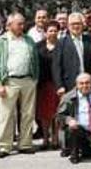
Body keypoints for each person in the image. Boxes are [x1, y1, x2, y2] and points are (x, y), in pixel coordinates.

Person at [0, 12, 39, 158]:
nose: (22, 26)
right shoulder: (1, 41)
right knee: (6, 115)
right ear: (9, 25)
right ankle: (4, 146)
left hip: (28, 81)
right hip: (9, 82)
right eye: (19, 24)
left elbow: (35, 60)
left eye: (23, 23)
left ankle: (25, 144)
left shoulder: (28, 40)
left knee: (28, 114)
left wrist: (34, 79)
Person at [58, 73, 91, 164]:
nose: (84, 85)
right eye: (81, 83)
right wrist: (69, 120)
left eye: (87, 83)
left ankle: (89, 150)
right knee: (72, 129)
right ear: (76, 85)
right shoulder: (68, 97)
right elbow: (60, 115)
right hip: (81, 132)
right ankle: (74, 155)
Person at [53, 12, 91, 95]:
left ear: (83, 25)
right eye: (73, 24)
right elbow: (56, 66)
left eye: (78, 23)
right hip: (69, 84)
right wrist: (59, 86)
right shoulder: (61, 43)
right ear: (68, 26)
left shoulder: (90, 40)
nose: (76, 26)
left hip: (88, 84)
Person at [36, 21, 61, 151]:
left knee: (56, 113)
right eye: (50, 30)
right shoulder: (38, 46)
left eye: (55, 30)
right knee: (44, 113)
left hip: (57, 84)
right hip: (43, 84)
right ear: (45, 32)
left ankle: (56, 138)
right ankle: (45, 138)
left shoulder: (62, 45)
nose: (52, 33)